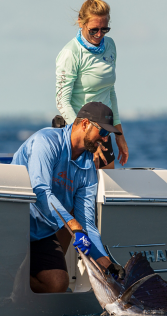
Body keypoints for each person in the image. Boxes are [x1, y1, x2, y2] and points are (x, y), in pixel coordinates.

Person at [12, 102, 125, 293]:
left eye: (109, 135)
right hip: (14, 224)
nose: (105, 139)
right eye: (103, 132)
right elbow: (41, 191)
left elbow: (87, 222)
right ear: (84, 124)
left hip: (43, 231)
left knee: (57, 283)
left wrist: (106, 264)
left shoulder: (88, 166)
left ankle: (11, 279)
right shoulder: (46, 142)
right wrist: (73, 226)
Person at [56, 0, 128, 170]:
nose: (99, 34)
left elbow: (110, 91)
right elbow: (62, 102)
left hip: (103, 132)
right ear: (81, 22)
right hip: (77, 134)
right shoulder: (70, 53)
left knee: (106, 192)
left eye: (104, 29)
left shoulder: (110, 46)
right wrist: (85, 138)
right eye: (94, 29)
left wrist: (119, 135)